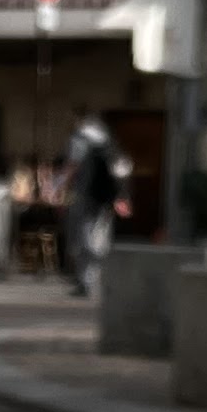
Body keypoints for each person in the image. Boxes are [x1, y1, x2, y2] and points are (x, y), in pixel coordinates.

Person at [60, 113, 126, 298]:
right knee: (100, 239)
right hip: (105, 200)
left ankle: (86, 282)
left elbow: (72, 165)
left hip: (85, 198)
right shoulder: (108, 143)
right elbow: (121, 171)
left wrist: (58, 187)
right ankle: (95, 280)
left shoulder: (79, 140)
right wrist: (120, 196)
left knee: (84, 241)